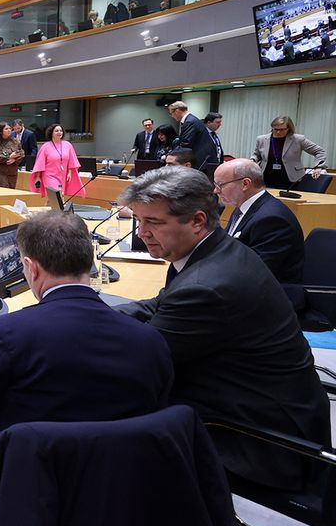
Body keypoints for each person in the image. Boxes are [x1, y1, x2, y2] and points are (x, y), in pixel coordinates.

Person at [116, 167, 329, 488]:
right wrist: (89, 314)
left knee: (103, 403)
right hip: (273, 406)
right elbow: (161, 304)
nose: (141, 232)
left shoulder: (207, 286)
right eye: (139, 220)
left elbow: (141, 365)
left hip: (259, 439)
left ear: (197, 221)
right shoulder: (219, 251)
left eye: (153, 222)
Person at [0, 211, 172, 471]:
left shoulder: (12, 332)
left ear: (31, 267)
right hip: (114, 485)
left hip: (16, 487)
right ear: (89, 260)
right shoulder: (150, 340)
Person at [212, 158, 304, 290]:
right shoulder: (243, 208)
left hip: (270, 296)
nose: (216, 191)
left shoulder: (272, 219)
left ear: (245, 183)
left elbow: (255, 270)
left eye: (221, 185)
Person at [251, 115, 328, 190]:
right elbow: (257, 154)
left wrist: (319, 167)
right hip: (267, 176)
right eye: (275, 129)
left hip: (291, 178)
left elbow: (320, 151)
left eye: (282, 129)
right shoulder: (261, 139)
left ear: (289, 128)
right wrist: (253, 160)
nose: (278, 132)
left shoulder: (298, 139)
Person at [29, 123, 83, 198]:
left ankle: (50, 209)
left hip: (62, 175)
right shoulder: (45, 147)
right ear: (51, 133)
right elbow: (40, 164)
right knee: (56, 195)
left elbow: (72, 160)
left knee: (57, 197)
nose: (59, 132)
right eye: (56, 131)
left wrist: (70, 172)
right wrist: (38, 177)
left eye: (61, 130)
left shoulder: (68, 145)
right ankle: (57, 209)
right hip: (49, 176)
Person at [167, 101, 216, 170]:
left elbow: (186, 143)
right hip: (203, 157)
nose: (172, 116)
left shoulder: (189, 122)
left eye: (171, 113)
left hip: (202, 159)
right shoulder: (191, 119)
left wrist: (171, 155)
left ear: (177, 111)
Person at [0, 124, 23, 189]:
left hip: (12, 171)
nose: (9, 130)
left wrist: (14, 160)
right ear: (1, 131)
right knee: (5, 189)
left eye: (10, 128)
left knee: (12, 191)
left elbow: (22, 153)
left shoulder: (15, 141)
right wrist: (8, 156)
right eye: (6, 129)